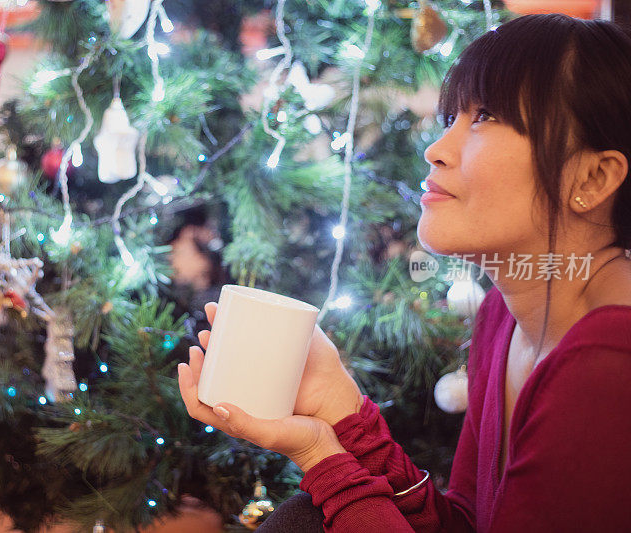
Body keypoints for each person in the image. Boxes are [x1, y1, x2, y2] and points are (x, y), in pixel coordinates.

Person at [177, 13, 631, 532]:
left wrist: (323, 458)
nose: (436, 150)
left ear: (593, 177)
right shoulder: (501, 322)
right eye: (452, 119)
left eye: (486, 117)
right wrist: (341, 410)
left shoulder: (610, 362)